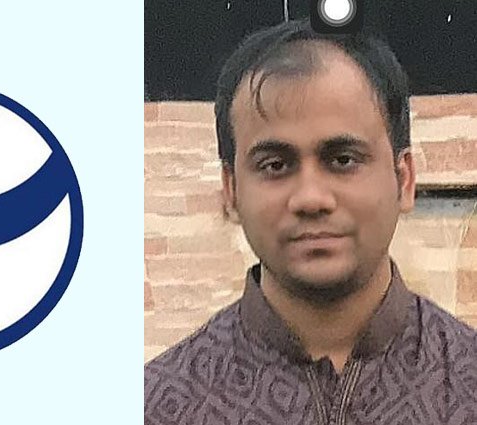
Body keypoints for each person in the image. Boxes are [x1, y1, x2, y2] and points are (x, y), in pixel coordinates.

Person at [144, 19, 477, 424]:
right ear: (231, 191)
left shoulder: (465, 384)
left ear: (403, 179)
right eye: (275, 165)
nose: (311, 199)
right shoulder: (156, 405)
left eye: (343, 160)